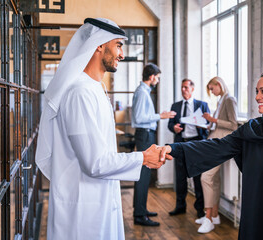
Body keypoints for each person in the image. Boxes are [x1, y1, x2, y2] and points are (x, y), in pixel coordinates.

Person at [35, 18, 167, 240]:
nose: (122, 54)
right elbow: (94, 163)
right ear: (99, 44)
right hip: (82, 211)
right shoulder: (80, 93)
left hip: (97, 200)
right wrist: (143, 157)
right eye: (118, 45)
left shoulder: (95, 89)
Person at [160, 68, 263, 240]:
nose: (257, 97)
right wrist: (173, 149)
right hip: (254, 219)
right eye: (257, 91)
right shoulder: (251, 131)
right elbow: (217, 146)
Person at [131, 63, 176, 226]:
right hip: (144, 135)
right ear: (151, 77)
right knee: (143, 173)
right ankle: (139, 215)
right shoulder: (142, 93)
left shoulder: (143, 91)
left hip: (145, 135)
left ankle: (141, 209)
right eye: (157, 78)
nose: (157, 81)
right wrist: (161, 116)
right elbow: (140, 117)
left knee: (144, 173)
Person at [195, 76, 238, 233]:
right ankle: (214, 215)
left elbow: (233, 125)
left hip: (221, 146)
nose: (211, 92)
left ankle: (208, 218)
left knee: (205, 177)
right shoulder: (221, 100)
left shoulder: (229, 100)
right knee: (215, 179)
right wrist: (210, 125)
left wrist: (213, 120)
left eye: (212, 89)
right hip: (215, 143)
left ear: (219, 85)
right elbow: (221, 124)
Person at [167, 79, 209, 219]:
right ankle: (180, 206)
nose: (183, 90)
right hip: (181, 144)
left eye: (186, 87)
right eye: (182, 87)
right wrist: (174, 127)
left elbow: (208, 125)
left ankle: (199, 209)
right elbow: (170, 124)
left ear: (192, 88)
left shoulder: (202, 105)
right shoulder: (176, 105)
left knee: (198, 178)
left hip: (196, 145)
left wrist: (201, 125)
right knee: (180, 178)